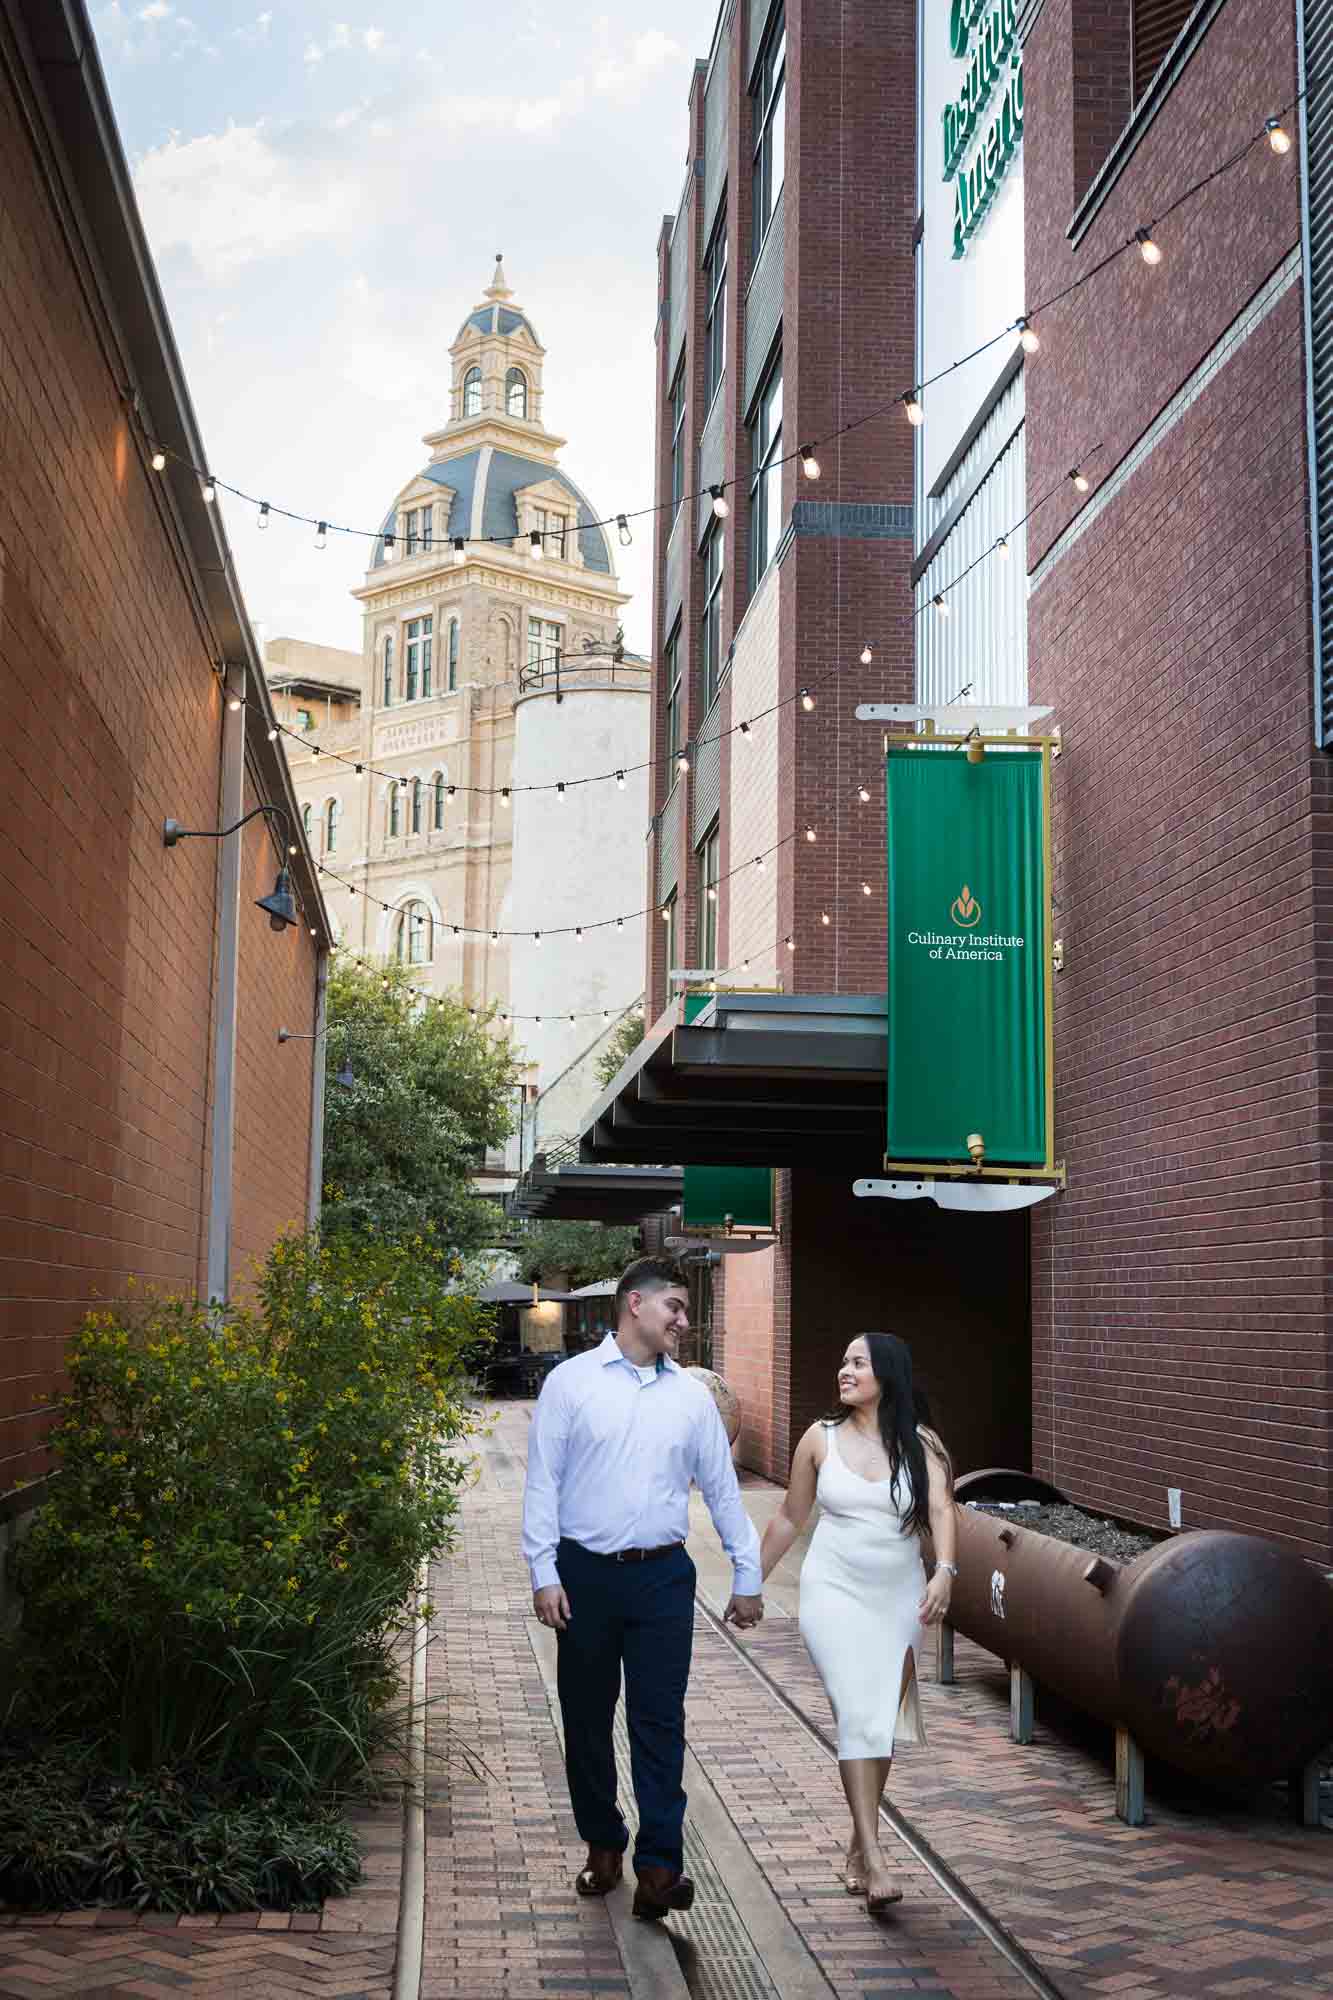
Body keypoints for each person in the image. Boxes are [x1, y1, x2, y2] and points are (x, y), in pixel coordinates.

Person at [521, 1256, 764, 1921]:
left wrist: (747, 1574)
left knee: (659, 1721)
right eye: (675, 1309)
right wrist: (543, 1572)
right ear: (635, 1305)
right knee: (587, 1717)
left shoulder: (691, 1396)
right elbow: (542, 1483)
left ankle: (659, 1867)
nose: (683, 1322)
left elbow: (720, 1490)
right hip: (585, 1576)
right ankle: (603, 1844)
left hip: (662, 1576)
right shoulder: (570, 1384)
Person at [758, 1332, 956, 1915]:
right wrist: (749, 1580)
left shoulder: (924, 1445)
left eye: (857, 1363)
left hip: (900, 1597)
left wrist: (945, 1571)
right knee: (855, 1709)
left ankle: (855, 1844)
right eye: (842, 1361)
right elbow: (791, 1517)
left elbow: (943, 1509)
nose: (844, 1371)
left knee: (881, 1720)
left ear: (887, 1374)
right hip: (833, 1592)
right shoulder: (819, 1438)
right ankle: (875, 1854)